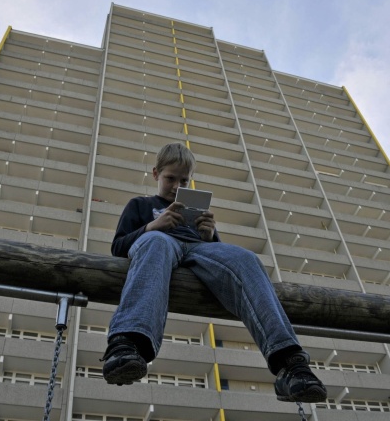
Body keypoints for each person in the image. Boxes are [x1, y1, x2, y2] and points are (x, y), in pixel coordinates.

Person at [101, 143, 327, 403]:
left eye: (183, 180)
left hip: (198, 248)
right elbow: (119, 247)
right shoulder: (141, 204)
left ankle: (290, 364)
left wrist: (209, 236)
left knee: (245, 258)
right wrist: (153, 226)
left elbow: (221, 263)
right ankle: (126, 345)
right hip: (160, 243)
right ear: (155, 174)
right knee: (156, 242)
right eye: (170, 178)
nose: (176, 186)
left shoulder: (193, 209)